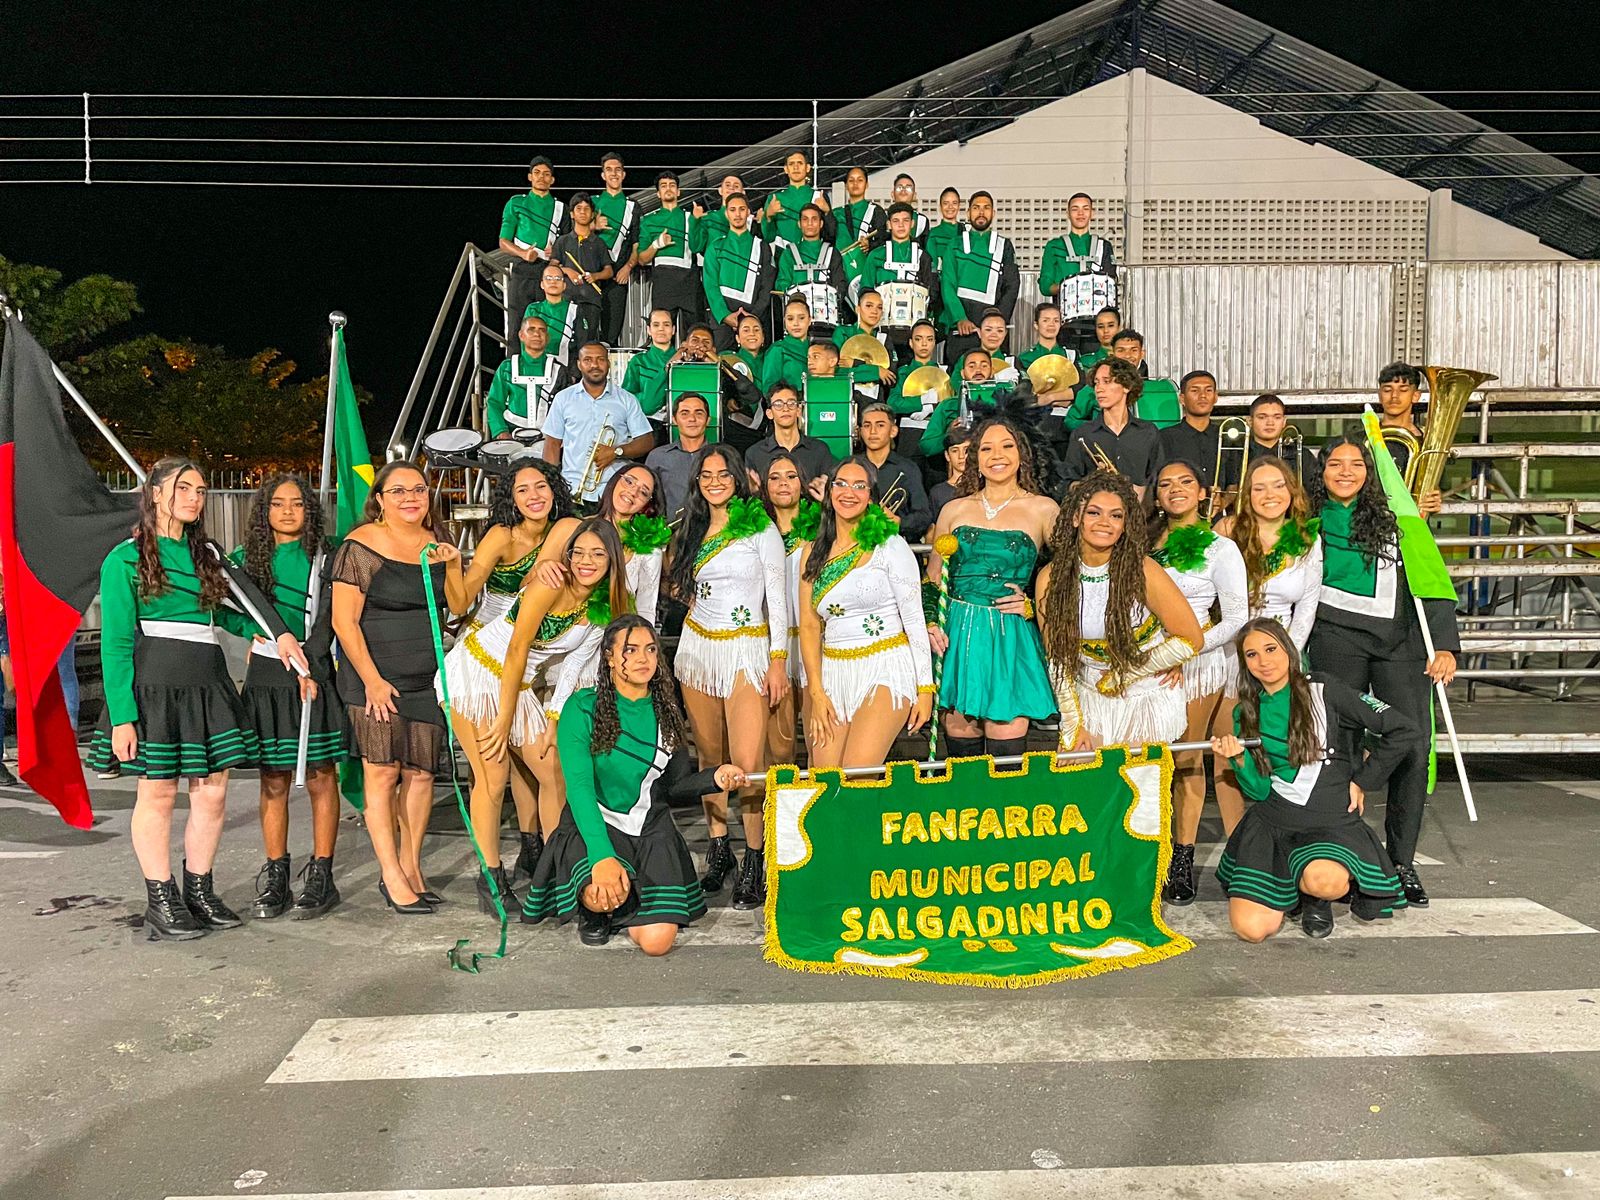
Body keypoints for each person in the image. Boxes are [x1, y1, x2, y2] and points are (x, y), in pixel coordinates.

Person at [88, 459, 305, 940]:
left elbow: (224, 613)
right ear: (155, 493)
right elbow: (116, 643)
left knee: (213, 791)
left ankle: (199, 891)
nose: (194, 498)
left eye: (201, 490)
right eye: (183, 488)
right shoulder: (123, 559)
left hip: (209, 681)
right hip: (156, 685)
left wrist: (263, 632)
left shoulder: (207, 555)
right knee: (159, 792)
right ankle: (160, 898)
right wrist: (122, 716)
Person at [522, 616, 744, 951]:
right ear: (609, 657)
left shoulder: (666, 712)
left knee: (657, 942)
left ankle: (622, 901)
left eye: (651, 650)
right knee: (600, 894)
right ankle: (597, 905)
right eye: (631, 650)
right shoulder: (581, 707)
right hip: (595, 826)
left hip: (649, 830)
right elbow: (579, 790)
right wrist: (602, 858)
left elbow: (675, 787)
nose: (643, 658)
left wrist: (714, 778)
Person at [1309, 435, 1460, 907]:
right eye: (1336, 463)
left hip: (1402, 642)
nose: (1346, 471)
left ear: (1370, 473)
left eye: (1356, 464)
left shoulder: (1398, 517)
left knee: (1411, 744)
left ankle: (1401, 862)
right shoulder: (1305, 520)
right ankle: (1336, 855)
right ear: (1321, 472)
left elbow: (1429, 577)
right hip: (1335, 638)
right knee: (1336, 747)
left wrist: (1445, 645)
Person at [1214, 618, 1417, 940]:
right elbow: (1260, 790)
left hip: (1329, 823)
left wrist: (1363, 780)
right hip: (1274, 824)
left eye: (1271, 649)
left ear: (1289, 650)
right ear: (1244, 663)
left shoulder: (1325, 690)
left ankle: (1314, 897)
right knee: (1251, 930)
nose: (1264, 661)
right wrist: (1238, 759)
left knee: (1326, 882)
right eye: (1252, 655)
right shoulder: (1245, 712)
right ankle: (1292, 889)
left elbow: (1402, 729)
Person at [439, 460, 576, 909]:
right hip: (484, 658)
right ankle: (491, 878)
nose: (534, 496)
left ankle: (544, 861)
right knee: (493, 775)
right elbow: (461, 601)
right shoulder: (502, 536)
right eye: (522, 490)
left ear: (554, 490)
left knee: (543, 768)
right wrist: (454, 566)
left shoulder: (565, 532)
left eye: (541, 486)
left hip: (528, 660)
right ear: (511, 499)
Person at [329, 461, 461, 915]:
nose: (410, 498)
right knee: (383, 773)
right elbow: (343, 621)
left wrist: (456, 563)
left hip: (425, 678)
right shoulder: (360, 546)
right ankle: (390, 874)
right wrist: (372, 681)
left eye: (418, 490)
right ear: (380, 500)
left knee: (421, 774)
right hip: (375, 678)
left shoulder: (436, 543)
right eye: (398, 491)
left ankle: (411, 866)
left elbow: (456, 604)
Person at [479, 520, 632, 903]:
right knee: (493, 776)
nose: (586, 561)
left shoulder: (602, 605)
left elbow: (575, 663)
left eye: (597, 554)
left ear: (612, 560)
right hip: (480, 673)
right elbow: (517, 648)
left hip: (519, 686)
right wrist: (504, 717)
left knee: (554, 773)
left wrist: (553, 717)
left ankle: (556, 873)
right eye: (578, 552)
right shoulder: (551, 582)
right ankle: (491, 879)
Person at [666, 444, 789, 909]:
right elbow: (680, 585)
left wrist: (778, 660)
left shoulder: (760, 527)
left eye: (723, 474)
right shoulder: (692, 527)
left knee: (748, 763)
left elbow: (777, 598)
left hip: (746, 650)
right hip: (698, 649)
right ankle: (719, 851)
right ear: (697, 482)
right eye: (706, 475)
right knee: (708, 757)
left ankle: (755, 857)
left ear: (738, 479)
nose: (714, 482)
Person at [231, 474, 346, 921]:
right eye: (277, 504)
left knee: (321, 775)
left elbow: (333, 615)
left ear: (309, 510)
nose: (287, 511)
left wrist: (310, 666)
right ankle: (277, 872)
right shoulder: (244, 559)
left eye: (297, 503)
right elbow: (221, 607)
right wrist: (253, 630)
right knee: (274, 778)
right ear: (264, 511)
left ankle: (322, 873)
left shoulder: (327, 555)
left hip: (314, 671)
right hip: (266, 675)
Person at [1035, 471, 1203, 752]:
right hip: (1087, 698)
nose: (1105, 522)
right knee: (1082, 773)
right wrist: (1073, 722)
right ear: (1076, 518)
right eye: (1094, 513)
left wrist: (1124, 674)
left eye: (1116, 516)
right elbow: (1058, 657)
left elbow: (1191, 639)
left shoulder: (1143, 570)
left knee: (1138, 778)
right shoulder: (1050, 577)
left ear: (1125, 525)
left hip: (1144, 697)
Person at [923, 416, 1058, 760]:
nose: (997, 455)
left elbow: (1068, 575)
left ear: (1022, 454)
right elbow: (932, 579)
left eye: (1007, 446)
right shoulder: (953, 509)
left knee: (1006, 749)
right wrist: (931, 621)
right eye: (986, 448)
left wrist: (1033, 606)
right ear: (976, 458)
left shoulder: (1044, 509)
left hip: (1010, 635)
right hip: (958, 637)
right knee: (962, 750)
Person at [1147, 460, 1249, 904]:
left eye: (1185, 482)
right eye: (1165, 484)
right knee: (1151, 762)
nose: (1175, 489)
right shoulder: (1142, 544)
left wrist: (1186, 651)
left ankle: (1182, 861)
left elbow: (1237, 617)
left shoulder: (1220, 549)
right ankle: (1149, 853)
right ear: (1156, 496)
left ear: (1203, 492)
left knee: (1186, 758)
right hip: (1147, 661)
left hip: (1197, 660)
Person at [799, 457, 934, 767]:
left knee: (858, 774)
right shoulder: (812, 550)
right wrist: (816, 694)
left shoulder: (890, 545)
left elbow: (914, 620)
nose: (849, 492)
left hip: (885, 667)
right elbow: (809, 626)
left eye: (859, 486)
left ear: (871, 496)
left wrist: (925, 689)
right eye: (841, 484)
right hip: (834, 673)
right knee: (826, 778)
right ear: (829, 492)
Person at [1212, 455, 1323, 827]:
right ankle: (1238, 836)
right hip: (1232, 651)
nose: (1269, 494)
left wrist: (1284, 659)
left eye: (1278, 486)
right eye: (1258, 488)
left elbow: (1307, 606)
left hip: (1284, 651)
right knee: (1228, 746)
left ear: (1292, 492)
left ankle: (1285, 825)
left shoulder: (1307, 539)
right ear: (1247, 495)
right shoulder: (1227, 531)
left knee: (1281, 745)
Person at [542, 341, 655, 510]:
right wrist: (552, 485)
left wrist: (616, 451)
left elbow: (646, 440)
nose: (594, 365)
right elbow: (552, 444)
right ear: (579, 364)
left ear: (608, 363)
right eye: (587, 360)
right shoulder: (563, 398)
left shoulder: (626, 399)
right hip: (571, 487)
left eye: (600, 359)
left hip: (614, 490)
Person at [762, 451, 819, 770]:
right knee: (781, 748)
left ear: (803, 483)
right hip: (774, 645)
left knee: (818, 741)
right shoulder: (754, 532)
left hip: (815, 644)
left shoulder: (823, 528)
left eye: (791, 476)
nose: (783, 483)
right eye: (775, 477)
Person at [938, 191, 1019, 367]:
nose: (981, 212)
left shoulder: (1004, 246)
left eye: (986, 208)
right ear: (968, 213)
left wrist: (996, 323)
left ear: (993, 213)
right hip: (961, 330)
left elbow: (1012, 286)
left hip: (993, 332)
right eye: (976, 208)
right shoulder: (954, 244)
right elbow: (947, 284)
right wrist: (959, 318)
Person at [1061, 358, 1163, 489]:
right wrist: (1092, 483)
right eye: (1096, 383)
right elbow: (1068, 482)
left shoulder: (1148, 431)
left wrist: (1142, 491)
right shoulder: (1083, 434)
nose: (1099, 389)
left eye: (1107, 381)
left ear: (1127, 386)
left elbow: (1158, 478)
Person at [1038, 193, 1117, 358]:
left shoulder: (1104, 246)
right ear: (1067, 213)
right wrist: (1069, 287)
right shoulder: (1054, 246)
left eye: (1085, 209)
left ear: (1092, 213)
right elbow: (1045, 286)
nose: (1080, 213)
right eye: (1075, 209)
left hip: (1096, 324)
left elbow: (1110, 282)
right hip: (1065, 324)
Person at [500, 155, 566, 325]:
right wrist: (523, 253)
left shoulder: (561, 208)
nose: (541, 177)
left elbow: (567, 242)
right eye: (537, 172)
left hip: (549, 272)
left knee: (549, 324)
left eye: (546, 174)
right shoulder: (516, 202)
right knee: (518, 324)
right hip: (522, 271)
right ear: (530, 177)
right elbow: (503, 242)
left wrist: (556, 252)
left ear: (552, 180)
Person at [703, 192, 775, 350]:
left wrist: (753, 316)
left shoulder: (761, 246)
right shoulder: (715, 247)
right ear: (726, 214)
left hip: (754, 319)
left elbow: (767, 286)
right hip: (722, 321)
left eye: (742, 209)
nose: (737, 214)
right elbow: (710, 285)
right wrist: (724, 315)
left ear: (748, 212)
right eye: (733, 210)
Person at [635, 171, 702, 339]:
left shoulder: (690, 217)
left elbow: (697, 247)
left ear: (678, 191)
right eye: (663, 186)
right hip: (663, 282)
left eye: (672, 185)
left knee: (696, 332)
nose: (668, 189)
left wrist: (696, 222)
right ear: (658, 193)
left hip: (690, 281)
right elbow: (642, 259)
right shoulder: (649, 221)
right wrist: (657, 244)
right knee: (662, 332)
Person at [1373, 362, 1443, 515]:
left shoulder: (1428, 443)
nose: (1394, 396)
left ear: (1416, 396)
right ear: (1379, 395)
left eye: (1403, 390)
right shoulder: (1364, 436)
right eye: (1387, 390)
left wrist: (1434, 499)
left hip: (1413, 521)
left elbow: (1435, 485)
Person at [486, 314, 570, 439]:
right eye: (531, 329)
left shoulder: (559, 370)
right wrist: (501, 431)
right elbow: (494, 402)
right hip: (512, 435)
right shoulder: (507, 367)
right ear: (521, 335)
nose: (537, 334)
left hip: (547, 437)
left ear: (547, 338)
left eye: (542, 330)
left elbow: (567, 408)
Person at [857, 402, 931, 540]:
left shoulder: (908, 468)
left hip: (896, 542)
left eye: (880, 425)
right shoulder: (851, 466)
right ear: (860, 431)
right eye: (867, 425)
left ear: (893, 431)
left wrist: (899, 522)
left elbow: (924, 516)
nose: (873, 431)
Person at [1218, 393, 1317, 493]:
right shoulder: (1234, 454)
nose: (1270, 423)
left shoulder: (1301, 455)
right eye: (1262, 417)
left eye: (1277, 417)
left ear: (1284, 421)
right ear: (1249, 421)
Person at [744, 382, 836, 488]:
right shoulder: (754, 453)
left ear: (799, 410)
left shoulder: (819, 450)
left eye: (791, 403)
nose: (785, 409)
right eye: (778, 404)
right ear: (769, 413)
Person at [774, 204, 847, 334]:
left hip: (827, 320)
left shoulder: (832, 253)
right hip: (797, 321)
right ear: (799, 224)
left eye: (814, 219)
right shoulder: (788, 253)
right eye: (805, 219)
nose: (810, 223)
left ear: (821, 223)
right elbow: (782, 283)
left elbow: (840, 285)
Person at [550, 193, 612, 342]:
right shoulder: (562, 241)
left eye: (586, 209)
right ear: (572, 214)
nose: (583, 212)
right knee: (565, 342)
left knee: (588, 343)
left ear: (592, 214)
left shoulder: (599, 243)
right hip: (566, 300)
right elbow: (552, 266)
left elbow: (609, 271)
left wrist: (596, 276)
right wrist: (567, 271)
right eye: (578, 208)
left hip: (591, 300)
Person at [592, 153, 638, 345]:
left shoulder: (632, 207)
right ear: (603, 175)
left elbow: (636, 244)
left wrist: (628, 267)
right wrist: (593, 226)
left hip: (618, 275)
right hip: (591, 274)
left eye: (618, 170)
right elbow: (576, 233)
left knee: (611, 332)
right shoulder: (591, 202)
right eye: (609, 170)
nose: (614, 174)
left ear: (623, 174)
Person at [918, 347, 997, 458]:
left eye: (984, 366)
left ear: (992, 371)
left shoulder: (1004, 402)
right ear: (962, 373)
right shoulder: (948, 405)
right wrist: (949, 435)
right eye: (971, 366)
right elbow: (926, 447)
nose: (978, 370)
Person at [646, 391, 711, 522]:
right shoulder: (657, 457)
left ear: (708, 420)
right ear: (674, 420)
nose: (692, 419)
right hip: (669, 531)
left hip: (714, 531)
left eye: (699, 413)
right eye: (684, 413)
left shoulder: (721, 456)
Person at [1157, 370, 1223, 493]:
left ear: (1215, 397)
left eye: (1208, 390)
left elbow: (1235, 480)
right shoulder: (1164, 437)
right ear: (1182, 399)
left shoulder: (1225, 436)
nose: (1202, 396)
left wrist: (1225, 500)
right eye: (1195, 391)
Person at [832, 288, 897, 397]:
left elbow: (890, 377)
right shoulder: (843, 332)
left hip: (875, 402)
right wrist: (876, 371)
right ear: (857, 309)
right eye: (869, 306)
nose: (874, 311)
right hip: (846, 397)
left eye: (879, 307)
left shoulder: (884, 338)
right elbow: (836, 371)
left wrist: (855, 363)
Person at [762, 150, 832, 252]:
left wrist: (827, 212)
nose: (796, 167)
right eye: (791, 164)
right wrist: (768, 216)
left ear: (808, 168)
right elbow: (768, 237)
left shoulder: (819, 197)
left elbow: (831, 235)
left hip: (814, 255)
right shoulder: (774, 198)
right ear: (786, 169)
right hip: (783, 256)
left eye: (800, 163)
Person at [621, 307, 679, 422]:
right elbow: (626, 398)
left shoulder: (683, 361)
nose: (661, 329)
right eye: (656, 325)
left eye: (666, 325)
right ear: (649, 330)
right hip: (645, 424)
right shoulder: (638, 361)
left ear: (673, 330)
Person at [524, 264, 586, 368]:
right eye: (548, 278)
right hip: (536, 366)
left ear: (564, 285)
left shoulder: (574, 310)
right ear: (542, 284)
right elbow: (525, 340)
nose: (553, 282)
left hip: (566, 368)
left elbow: (582, 342)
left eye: (558, 278)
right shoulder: (533, 309)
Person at [888, 319, 942, 420]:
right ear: (911, 343)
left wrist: (931, 408)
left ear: (934, 343)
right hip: (909, 426)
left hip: (937, 427)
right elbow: (893, 403)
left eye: (929, 339)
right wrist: (921, 400)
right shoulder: (903, 372)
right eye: (918, 339)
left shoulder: (943, 372)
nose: (924, 344)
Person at [759, 296, 814, 396]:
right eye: (790, 319)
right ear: (784, 321)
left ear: (810, 320)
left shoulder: (816, 350)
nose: (796, 323)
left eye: (801, 318)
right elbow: (769, 389)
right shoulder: (777, 350)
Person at [928, 421, 973, 516]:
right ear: (947, 456)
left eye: (966, 450)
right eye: (955, 451)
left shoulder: (985, 487)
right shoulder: (938, 492)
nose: (961, 456)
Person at [1078, 306, 1121, 375]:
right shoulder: (1085, 361)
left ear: (1119, 327)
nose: (1106, 330)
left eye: (1110, 325)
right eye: (1101, 327)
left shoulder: (1127, 358)